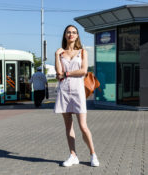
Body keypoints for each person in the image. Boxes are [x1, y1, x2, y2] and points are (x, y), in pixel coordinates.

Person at [54, 25, 100, 167]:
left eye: (74, 32)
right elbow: (58, 72)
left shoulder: (82, 52)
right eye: (69, 32)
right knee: (68, 126)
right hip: (64, 91)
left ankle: (93, 154)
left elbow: (83, 71)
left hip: (78, 90)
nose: (71, 34)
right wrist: (56, 55)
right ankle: (73, 155)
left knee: (83, 126)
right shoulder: (61, 53)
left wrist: (67, 74)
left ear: (77, 35)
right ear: (65, 35)